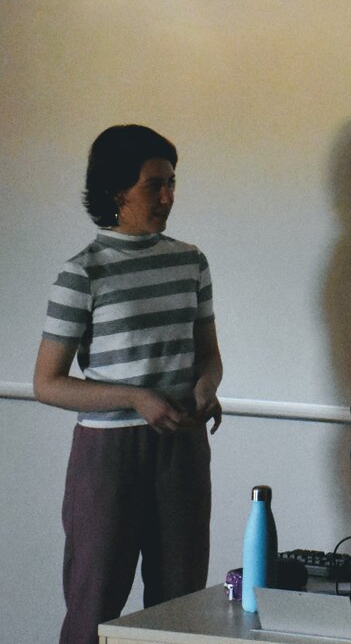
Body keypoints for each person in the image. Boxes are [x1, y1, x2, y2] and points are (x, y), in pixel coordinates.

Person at [32, 124, 224, 644]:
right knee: (95, 604)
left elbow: (208, 354)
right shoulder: (82, 273)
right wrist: (135, 398)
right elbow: (47, 383)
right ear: (117, 191)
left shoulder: (190, 261)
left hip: (181, 446)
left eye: (171, 183)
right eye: (153, 185)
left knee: (180, 607)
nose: (167, 197)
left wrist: (206, 386)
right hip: (109, 454)